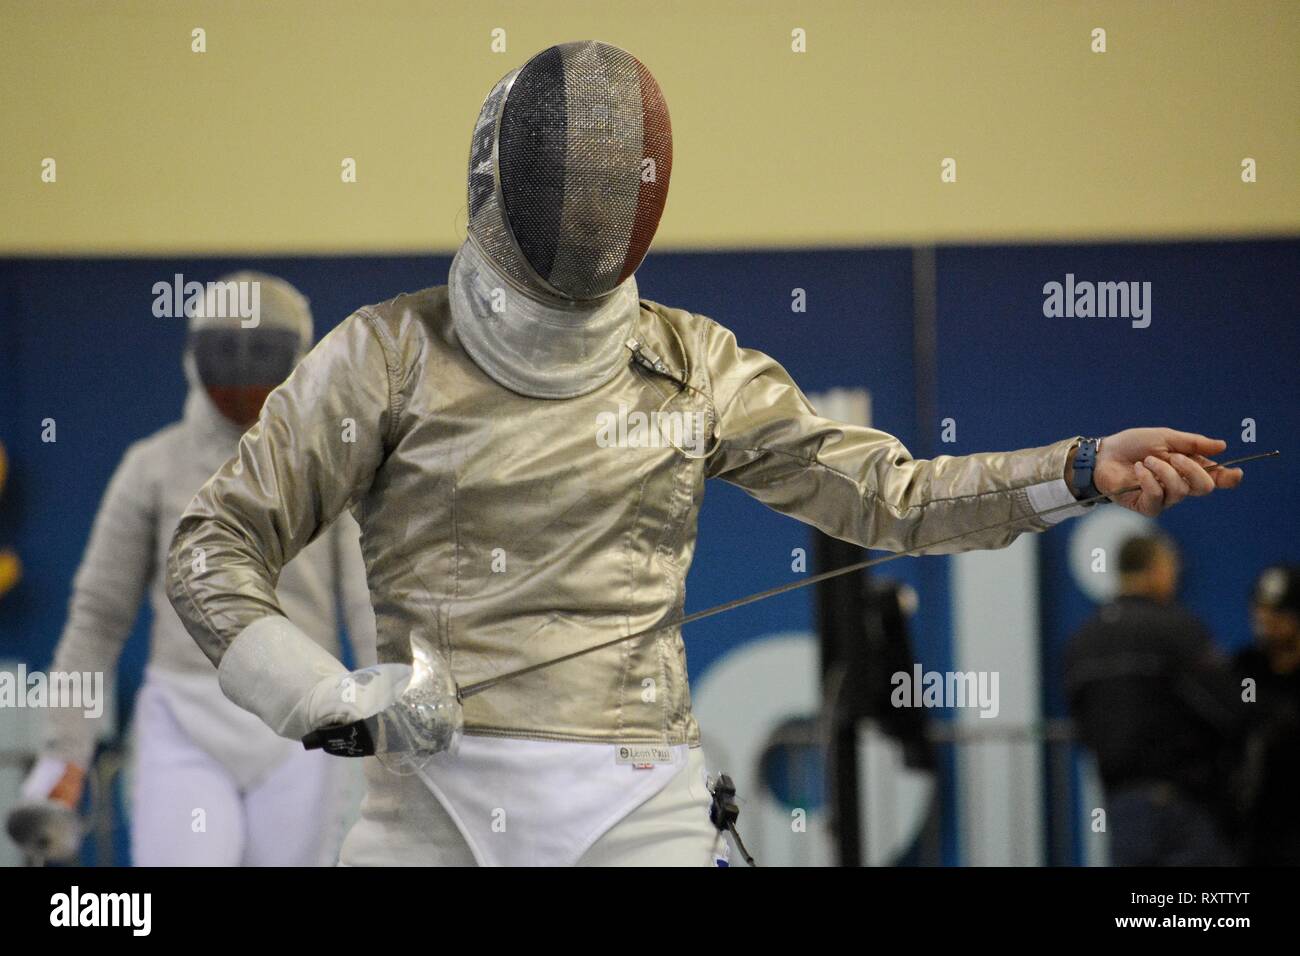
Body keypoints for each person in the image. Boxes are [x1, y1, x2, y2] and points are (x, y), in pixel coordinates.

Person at [165, 41, 1244, 867]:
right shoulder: (384, 358)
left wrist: (1077, 466)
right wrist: (323, 694)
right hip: (430, 800)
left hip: (636, 802)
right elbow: (212, 543)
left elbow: (892, 494)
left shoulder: (694, 367)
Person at [10, 273, 375, 866]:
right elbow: (98, 619)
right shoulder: (152, 468)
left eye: (262, 360)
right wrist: (64, 754)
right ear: (196, 363)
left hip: (303, 723)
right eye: (226, 360)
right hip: (185, 721)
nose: (245, 379)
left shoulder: (327, 463)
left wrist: (397, 728)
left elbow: (370, 606)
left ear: (297, 361)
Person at [1066, 534, 1243, 865]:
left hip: (1120, 806)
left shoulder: (1082, 640)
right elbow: (1227, 707)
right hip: (1181, 804)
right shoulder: (1174, 629)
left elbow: (1082, 724)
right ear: (1156, 569)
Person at [1233, 564, 1300, 865]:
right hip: (1258, 827)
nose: (1265, 622)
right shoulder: (1245, 668)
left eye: (1277, 613)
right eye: (1260, 612)